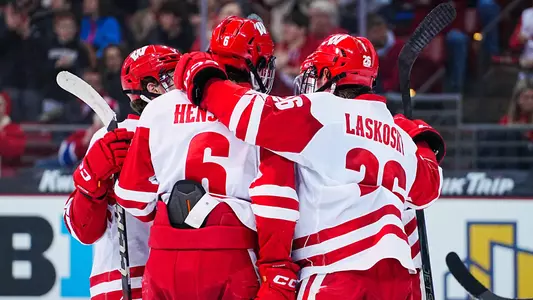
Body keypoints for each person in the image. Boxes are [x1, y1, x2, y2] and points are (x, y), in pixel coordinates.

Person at [175, 33, 445, 299]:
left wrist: (206, 81)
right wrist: (421, 140)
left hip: (335, 271)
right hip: (398, 279)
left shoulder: (321, 110)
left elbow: (250, 115)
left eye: (316, 73)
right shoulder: (398, 134)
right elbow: (428, 190)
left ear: (329, 75)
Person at [115, 16, 299, 300]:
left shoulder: (158, 108)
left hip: (165, 256)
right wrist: (276, 266)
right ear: (250, 62)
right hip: (231, 255)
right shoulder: (263, 114)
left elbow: (132, 198)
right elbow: (275, 203)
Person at [63, 45, 181, 300]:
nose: (181, 86)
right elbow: (82, 231)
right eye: (171, 78)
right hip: (120, 283)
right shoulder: (111, 138)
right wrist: (91, 177)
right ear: (148, 88)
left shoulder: (193, 130)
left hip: (181, 279)